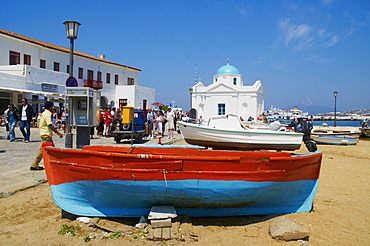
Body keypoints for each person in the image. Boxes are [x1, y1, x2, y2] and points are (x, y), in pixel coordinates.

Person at [30, 101, 63, 171]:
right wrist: (58, 133)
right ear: (50, 107)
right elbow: (50, 125)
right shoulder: (48, 114)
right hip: (46, 134)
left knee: (52, 149)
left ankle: (55, 162)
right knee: (43, 150)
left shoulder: (44, 113)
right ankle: (34, 164)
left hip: (44, 133)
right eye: (52, 107)